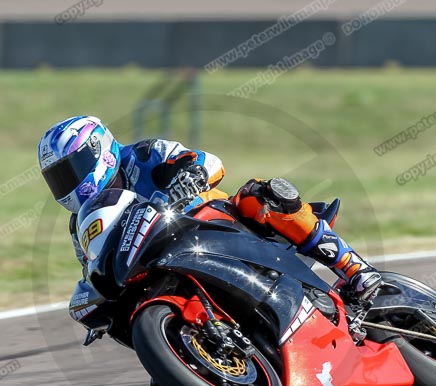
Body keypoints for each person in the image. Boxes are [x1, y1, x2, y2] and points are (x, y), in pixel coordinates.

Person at [38, 115, 382, 318]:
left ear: (98, 151)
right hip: (168, 262)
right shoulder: (80, 224)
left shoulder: (144, 155)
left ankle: (356, 271)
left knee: (257, 197)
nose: (66, 184)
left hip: (216, 224)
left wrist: (191, 174)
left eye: (71, 171)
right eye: (58, 179)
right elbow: (93, 264)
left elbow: (208, 161)